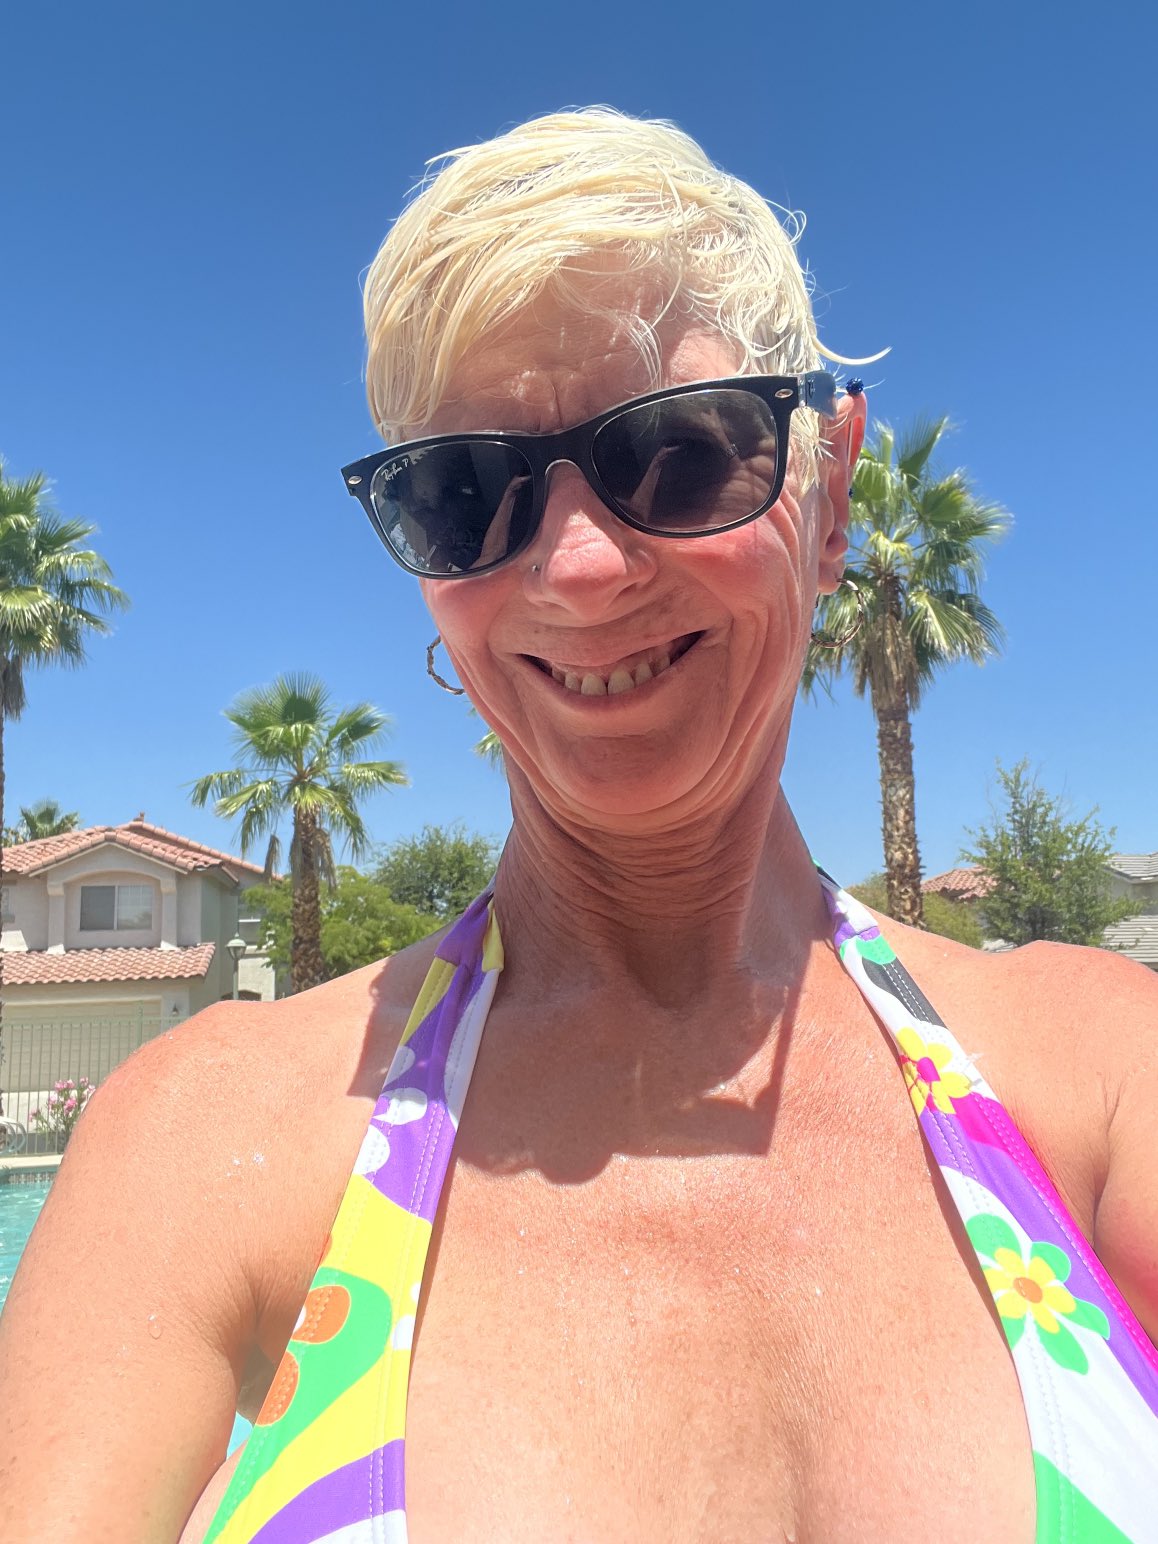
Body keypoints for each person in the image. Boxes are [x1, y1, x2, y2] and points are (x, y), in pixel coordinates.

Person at [2, 107, 1156, 1544]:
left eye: (681, 455)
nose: (582, 568)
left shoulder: (1105, 1080)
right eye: (465, 493)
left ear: (829, 489)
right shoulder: (198, 1145)